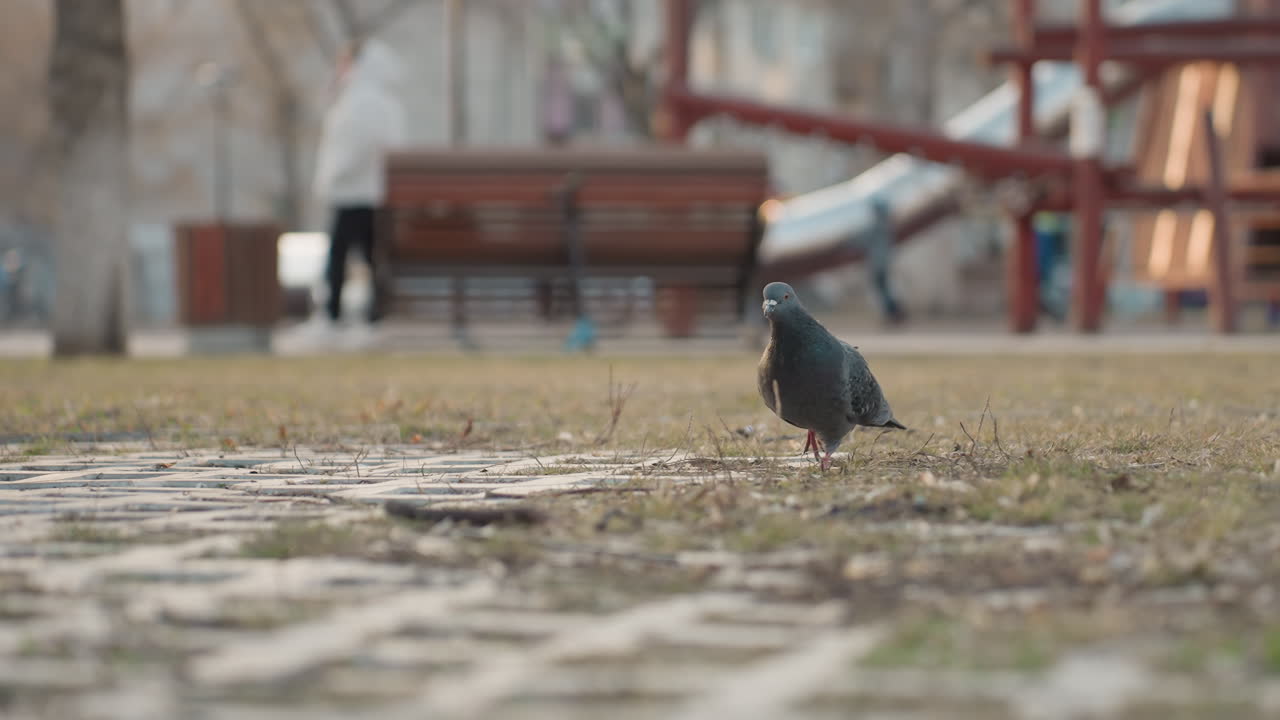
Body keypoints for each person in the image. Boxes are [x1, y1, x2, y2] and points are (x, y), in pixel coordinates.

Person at [313, 38, 406, 324]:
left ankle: (334, 313)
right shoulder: (383, 100)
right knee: (369, 254)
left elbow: (355, 144)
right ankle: (372, 311)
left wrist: (333, 175)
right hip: (375, 191)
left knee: (341, 254)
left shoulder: (360, 100)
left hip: (355, 190)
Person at [860, 198, 906, 326]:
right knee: (886, 289)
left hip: (878, 264)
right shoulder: (888, 226)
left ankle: (893, 314)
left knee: (883, 291)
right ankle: (895, 314)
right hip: (884, 262)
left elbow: (861, 240)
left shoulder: (877, 227)